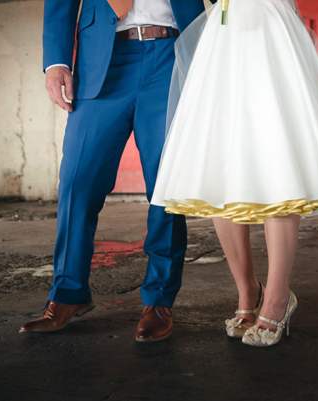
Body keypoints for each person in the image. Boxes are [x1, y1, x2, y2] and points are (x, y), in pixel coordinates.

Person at [151, 0, 318, 347]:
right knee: (217, 165)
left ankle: (276, 297)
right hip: (223, 32)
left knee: (278, 159)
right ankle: (247, 293)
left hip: (270, 28)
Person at [19, 0, 215, 342]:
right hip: (102, 58)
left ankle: (158, 299)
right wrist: (56, 61)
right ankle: (69, 291)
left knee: (166, 184)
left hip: (173, 52)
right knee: (78, 181)